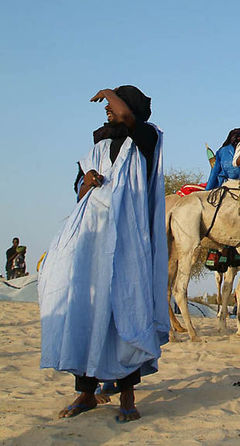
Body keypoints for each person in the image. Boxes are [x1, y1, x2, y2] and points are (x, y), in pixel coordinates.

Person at [38, 85, 168, 422]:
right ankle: (86, 392)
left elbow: (125, 116)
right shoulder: (97, 147)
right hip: (92, 243)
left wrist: (110, 91)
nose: (108, 110)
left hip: (127, 243)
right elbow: (79, 191)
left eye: (113, 105)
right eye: (107, 106)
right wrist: (88, 181)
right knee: (87, 309)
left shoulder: (146, 138)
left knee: (126, 309)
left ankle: (126, 394)